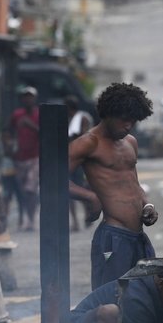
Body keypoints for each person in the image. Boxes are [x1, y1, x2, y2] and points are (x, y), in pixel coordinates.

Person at [69, 82, 157, 289]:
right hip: (113, 237)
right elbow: (52, 179)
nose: (128, 126)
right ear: (108, 114)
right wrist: (90, 197)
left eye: (133, 122)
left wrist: (148, 206)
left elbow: (134, 185)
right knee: (110, 301)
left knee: (145, 297)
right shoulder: (88, 143)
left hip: (138, 238)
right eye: (124, 120)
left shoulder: (131, 143)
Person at [5, 86, 41, 231]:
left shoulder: (39, 115)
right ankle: (24, 216)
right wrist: (8, 146)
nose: (28, 99)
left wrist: (30, 125)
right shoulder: (16, 114)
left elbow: (44, 133)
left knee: (30, 189)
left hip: (34, 157)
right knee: (20, 190)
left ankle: (31, 218)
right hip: (18, 157)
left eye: (30, 96)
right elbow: (7, 130)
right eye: (25, 96)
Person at [67, 96, 94, 231]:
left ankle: (87, 216)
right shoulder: (68, 119)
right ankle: (76, 221)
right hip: (70, 158)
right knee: (70, 190)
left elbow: (85, 136)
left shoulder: (82, 118)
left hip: (80, 159)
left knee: (82, 188)